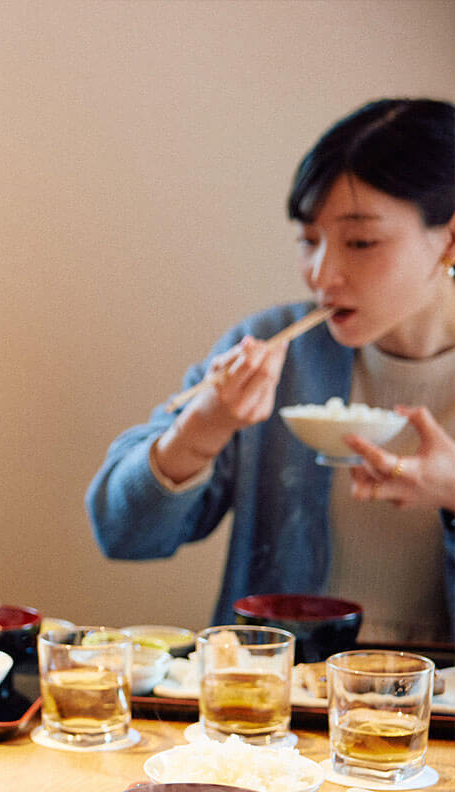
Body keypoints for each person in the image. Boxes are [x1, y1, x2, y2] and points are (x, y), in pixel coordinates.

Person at [87, 98, 455, 642]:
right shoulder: (275, 354)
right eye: (310, 241)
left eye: (360, 241)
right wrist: (203, 428)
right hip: (278, 703)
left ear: (449, 239)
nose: (321, 273)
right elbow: (123, 533)